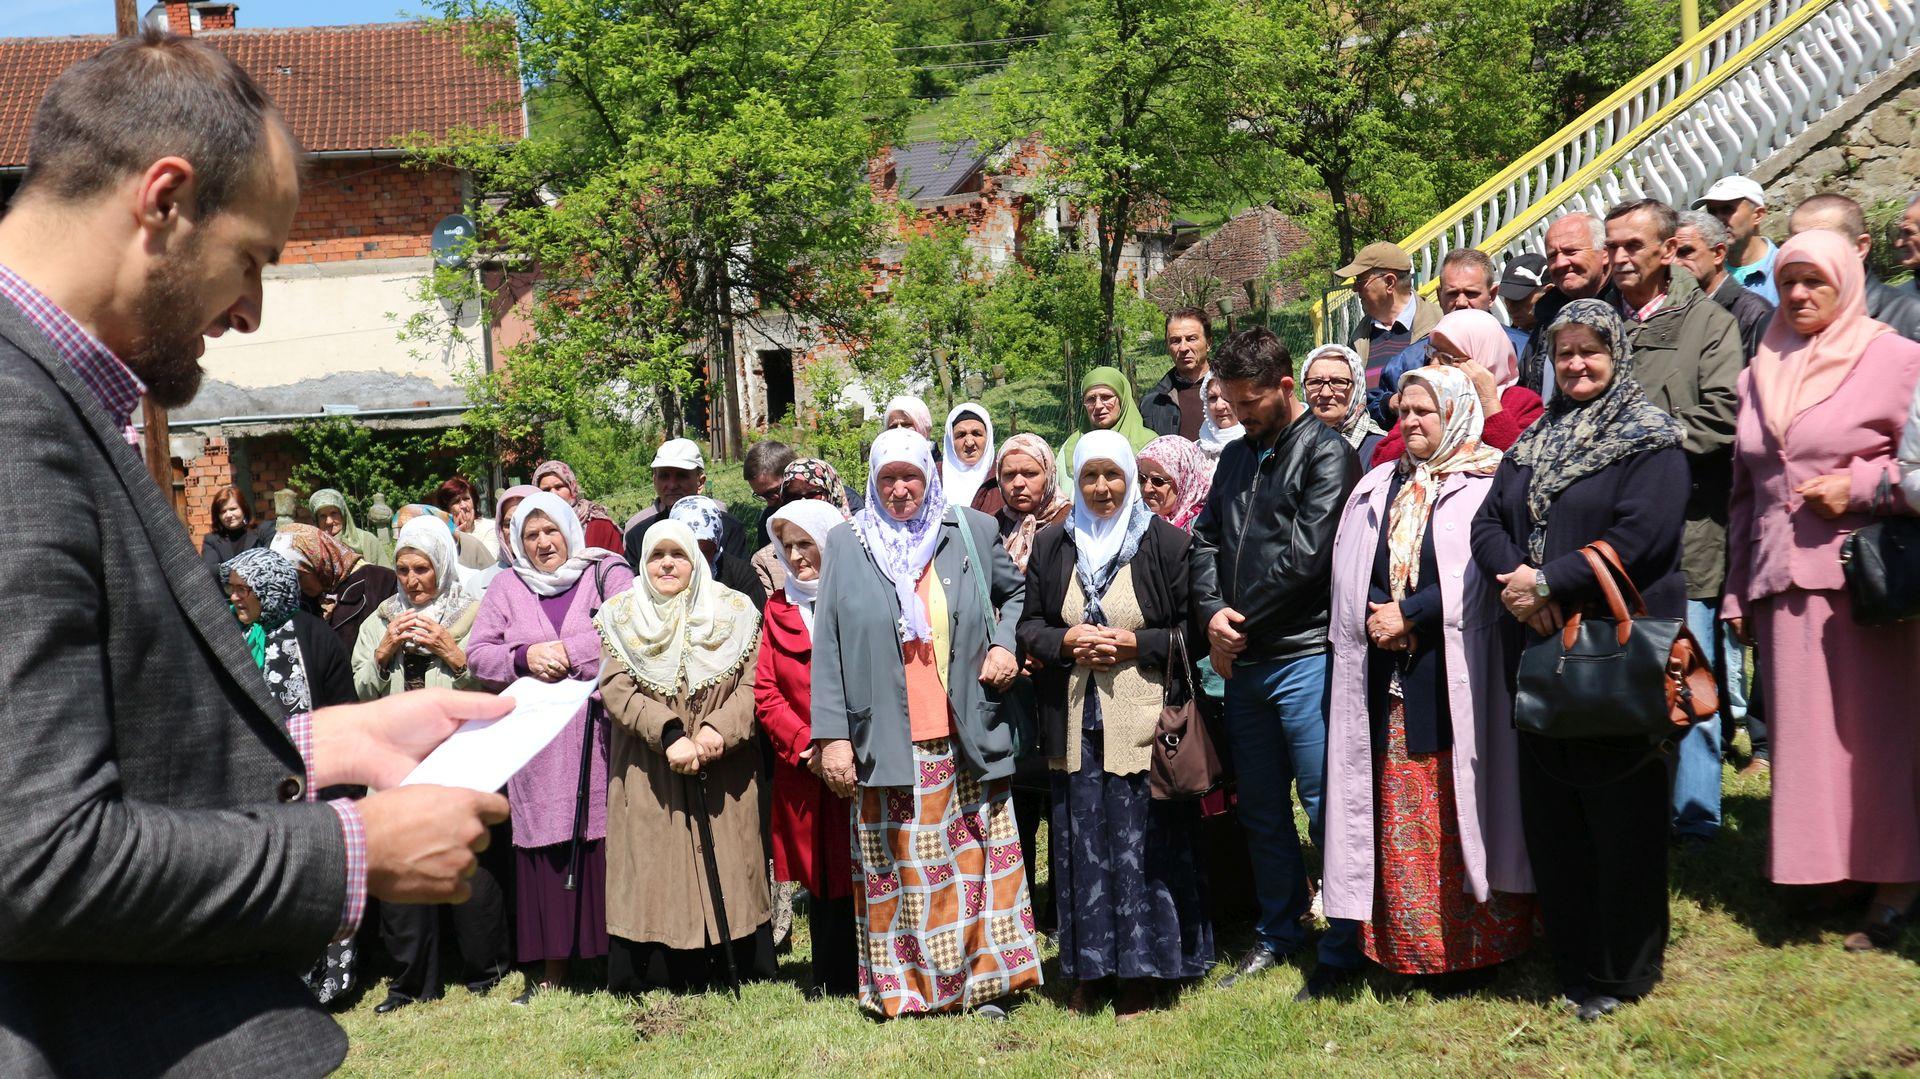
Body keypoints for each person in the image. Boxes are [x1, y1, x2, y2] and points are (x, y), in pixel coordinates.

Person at [0, 33, 508, 1074]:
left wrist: (328, 743)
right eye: (252, 261)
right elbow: (33, 852)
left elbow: (97, 734)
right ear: (164, 201)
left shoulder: (51, 399)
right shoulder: (14, 417)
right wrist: (355, 852)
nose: (250, 312)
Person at [1471, 299, 1688, 1021]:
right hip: (1539, 654)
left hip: (1612, 660)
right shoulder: (1535, 439)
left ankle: (1624, 971)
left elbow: (1645, 536)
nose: (1577, 363)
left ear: (1616, 352)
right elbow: (1489, 521)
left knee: (1622, 818)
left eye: (1592, 349)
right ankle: (1574, 961)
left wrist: (1550, 581)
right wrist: (1516, 582)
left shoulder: (1649, 439)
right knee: (1557, 819)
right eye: (1564, 352)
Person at [1724, 230, 1920, 952]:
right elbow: (1746, 492)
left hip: (1866, 581)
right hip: (1781, 579)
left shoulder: (1897, 358)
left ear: (1847, 280)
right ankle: (1831, 870)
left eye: (1816, 281)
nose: (1800, 295)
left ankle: (1897, 878)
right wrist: (1739, 590)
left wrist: (1863, 484)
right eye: (1790, 281)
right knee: (1807, 742)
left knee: (1875, 735)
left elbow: (1919, 465)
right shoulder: (1758, 369)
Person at [809, 428, 1040, 1018]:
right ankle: (908, 990)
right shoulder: (845, 542)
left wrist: (1004, 645)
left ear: (929, 476)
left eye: (910, 476)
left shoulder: (968, 530)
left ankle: (986, 984)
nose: (901, 489)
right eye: (888, 479)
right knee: (901, 869)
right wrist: (831, 735)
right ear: (872, 482)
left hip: (966, 729)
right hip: (885, 736)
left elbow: (1016, 596)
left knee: (976, 862)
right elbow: (829, 644)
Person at [1323, 366, 1534, 996]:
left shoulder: (1488, 483)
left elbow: (1487, 576)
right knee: (1402, 813)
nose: (1410, 422)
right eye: (1404, 410)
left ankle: (1478, 951)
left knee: (1464, 806)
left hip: (1463, 680)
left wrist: (1413, 614)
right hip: (1393, 679)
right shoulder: (1380, 486)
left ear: (1457, 415)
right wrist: (1381, 614)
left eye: (1425, 411)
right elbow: (1363, 569)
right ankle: (1412, 951)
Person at [1190, 327, 1363, 999]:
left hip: (1305, 654)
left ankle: (1346, 942)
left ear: (1285, 386)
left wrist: (1237, 620)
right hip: (1245, 661)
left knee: (1325, 804)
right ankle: (1280, 931)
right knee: (1261, 807)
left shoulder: (1328, 453)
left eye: (1251, 401)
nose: (1240, 413)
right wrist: (1211, 613)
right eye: (1230, 401)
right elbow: (1203, 539)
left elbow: (1309, 555)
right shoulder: (1234, 458)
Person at [1017, 430, 1215, 1019]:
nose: (1103, 487)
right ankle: (1089, 968)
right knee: (1082, 843)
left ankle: (1145, 970)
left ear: (1130, 476)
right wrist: (1067, 640)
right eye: (1090, 477)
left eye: (1113, 475)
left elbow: (1194, 631)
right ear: (1076, 481)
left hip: (1148, 722)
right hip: (1076, 720)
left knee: (1144, 841)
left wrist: (1136, 643)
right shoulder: (1055, 544)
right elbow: (1028, 627)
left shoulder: (1167, 545)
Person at [1604, 197, 1745, 844]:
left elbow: (1724, 417)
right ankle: (1634, 808)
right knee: (1623, 684)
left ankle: (1695, 816)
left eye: (1634, 245)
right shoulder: (1600, 327)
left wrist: (1640, 437)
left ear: (1667, 251)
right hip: (1611, 540)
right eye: (1614, 246)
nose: (1621, 257)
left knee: (1691, 682)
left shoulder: (1709, 325)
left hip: (1687, 535)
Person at [467, 491, 633, 1003]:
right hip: (537, 750)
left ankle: (616, 966)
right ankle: (551, 970)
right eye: (530, 535)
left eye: (550, 531)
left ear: (569, 528)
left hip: (602, 737)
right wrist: (523, 656)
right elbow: (477, 654)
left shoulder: (605, 572)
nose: (542, 543)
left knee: (604, 846)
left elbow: (631, 631)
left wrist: (567, 652)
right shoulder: (506, 586)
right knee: (545, 851)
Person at [597, 519, 772, 993]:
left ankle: (734, 960)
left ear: (695, 560)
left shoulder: (736, 612)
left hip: (725, 764)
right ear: (643, 561)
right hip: (651, 765)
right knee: (656, 862)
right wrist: (668, 732)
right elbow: (616, 688)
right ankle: (659, 967)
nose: (668, 563)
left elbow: (757, 683)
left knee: (732, 858)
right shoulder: (621, 615)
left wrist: (718, 730)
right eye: (658, 555)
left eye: (678, 554)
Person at [349, 517, 511, 1014]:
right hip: (399, 767)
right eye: (403, 570)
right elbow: (362, 691)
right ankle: (410, 982)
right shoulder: (379, 619)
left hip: (458, 761)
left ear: (442, 564)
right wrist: (381, 655)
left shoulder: (473, 613)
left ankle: (485, 971)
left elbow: (493, 687)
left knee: (470, 863)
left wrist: (453, 655)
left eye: (422, 568)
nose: (412, 579)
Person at [222, 548, 363, 1006]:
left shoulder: (313, 636)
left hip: (315, 782)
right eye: (234, 588)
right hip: (254, 785)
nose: (236, 598)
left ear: (271, 589)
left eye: (245, 589)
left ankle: (329, 982)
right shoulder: (233, 637)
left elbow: (342, 713)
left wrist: (343, 783)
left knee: (318, 879)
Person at [753, 499, 859, 996]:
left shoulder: (862, 595)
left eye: (806, 543)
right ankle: (829, 975)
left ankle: (876, 967)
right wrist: (806, 749)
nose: (796, 556)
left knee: (865, 861)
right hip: (805, 766)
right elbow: (767, 693)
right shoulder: (777, 609)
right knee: (820, 869)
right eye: (786, 546)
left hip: (862, 758)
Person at [1365, 249, 1532, 427]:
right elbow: (1374, 408)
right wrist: (1395, 404)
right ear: (1439, 295)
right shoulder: (1410, 359)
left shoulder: (1526, 349)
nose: (1461, 302)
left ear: (1492, 295)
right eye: (1452, 293)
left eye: (1471, 293)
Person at [1367, 310, 1546, 466]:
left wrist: (1489, 403)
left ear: (1484, 359)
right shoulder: (1426, 398)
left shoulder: (1521, 402)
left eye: (1447, 358)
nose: (1434, 364)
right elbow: (1383, 459)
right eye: (1431, 353)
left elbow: (1519, 466)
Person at [1788, 193, 1920, 342]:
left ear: (1860, 247)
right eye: (1796, 241)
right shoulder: (1776, 324)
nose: (1805, 252)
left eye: (1823, 240)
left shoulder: (1909, 319)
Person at [1519, 213, 1620, 398]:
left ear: (1604, 254)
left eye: (1571, 252)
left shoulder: (1624, 310)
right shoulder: (1545, 318)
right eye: (1552, 256)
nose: (1560, 263)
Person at [274, 522, 400, 652]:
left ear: (316, 562)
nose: (296, 586)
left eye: (299, 577)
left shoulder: (380, 581)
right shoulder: (302, 602)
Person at [622, 438, 750, 561]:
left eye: (681, 476)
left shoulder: (729, 529)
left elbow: (738, 579)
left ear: (700, 482)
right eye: (664, 476)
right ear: (655, 481)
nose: (672, 485)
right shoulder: (639, 536)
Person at [1675, 210, 1776, 359]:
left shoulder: (1753, 313)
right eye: (1670, 253)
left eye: (1686, 252)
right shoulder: (1671, 309)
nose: (1675, 263)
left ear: (1718, 254)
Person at [1340, 241, 1439, 366]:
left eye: (1360, 281)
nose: (1354, 288)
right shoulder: (1359, 338)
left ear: (1389, 282)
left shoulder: (1440, 327)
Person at [669, 494, 767, 612]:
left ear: (716, 544)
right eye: (686, 552)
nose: (697, 560)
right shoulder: (662, 575)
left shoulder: (741, 576)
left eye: (705, 553)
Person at [1692, 175, 1778, 305]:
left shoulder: (1784, 269)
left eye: (1727, 209)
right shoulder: (1706, 274)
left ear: (1758, 215)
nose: (1718, 219)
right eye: (1712, 212)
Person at [1303, 344, 1388, 463]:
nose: (1325, 393)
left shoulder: (1379, 450)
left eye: (1338, 382)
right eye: (1315, 382)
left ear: (1357, 389)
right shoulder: (1292, 443)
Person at [1142, 306, 1214, 437]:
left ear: (1208, 343)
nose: (1183, 348)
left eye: (1191, 338)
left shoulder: (1231, 390)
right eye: (1175, 341)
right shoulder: (1153, 404)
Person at [1061, 365, 1156, 463]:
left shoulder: (1150, 446)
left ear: (1122, 400)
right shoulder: (1071, 446)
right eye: (1091, 399)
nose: (1098, 406)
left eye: (1106, 397)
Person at [532, 458, 626, 554]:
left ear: (572, 488)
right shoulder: (532, 530)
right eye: (546, 490)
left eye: (559, 487)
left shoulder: (599, 525)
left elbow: (617, 564)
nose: (553, 493)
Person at [466, 483, 539, 596]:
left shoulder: (565, 579)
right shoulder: (479, 586)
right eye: (508, 524)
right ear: (500, 530)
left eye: (523, 521)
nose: (515, 530)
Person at [200, 483, 273, 583]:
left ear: (244, 508)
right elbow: (210, 570)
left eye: (233, 509)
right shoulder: (211, 540)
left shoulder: (263, 531)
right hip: (228, 596)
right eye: (223, 511)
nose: (228, 515)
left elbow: (271, 562)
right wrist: (248, 568)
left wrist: (227, 569)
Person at [1138, 434, 1212, 533]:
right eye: (1142, 478)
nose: (1147, 489)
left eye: (1158, 481)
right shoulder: (1132, 520)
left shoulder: (1205, 529)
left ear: (1185, 484)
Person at [309, 487, 393, 568]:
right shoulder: (311, 547)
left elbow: (387, 576)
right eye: (322, 516)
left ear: (343, 515)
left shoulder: (367, 540)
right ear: (316, 520)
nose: (329, 521)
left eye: (333, 513)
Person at [943, 401, 1003, 513]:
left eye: (976, 433)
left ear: (988, 437)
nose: (969, 442)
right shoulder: (935, 477)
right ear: (951, 441)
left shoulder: (1002, 476)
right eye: (961, 435)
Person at [743, 439, 796, 549]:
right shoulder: (769, 520)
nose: (770, 503)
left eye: (773, 491)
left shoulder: (833, 504)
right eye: (762, 496)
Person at [435, 475, 499, 560]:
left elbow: (488, 562)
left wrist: (466, 534)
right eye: (456, 501)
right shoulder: (442, 534)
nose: (464, 505)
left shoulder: (490, 528)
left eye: (466, 499)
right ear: (447, 509)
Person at [1195, 373, 1243, 467]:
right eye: (1213, 398)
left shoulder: (1260, 446)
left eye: (1227, 396)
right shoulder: (1197, 450)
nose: (1219, 406)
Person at [1498, 252, 1550, 334]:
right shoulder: (1506, 337)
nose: (1511, 308)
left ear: (1548, 292)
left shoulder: (1568, 331)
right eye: (1507, 297)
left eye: (1519, 298)